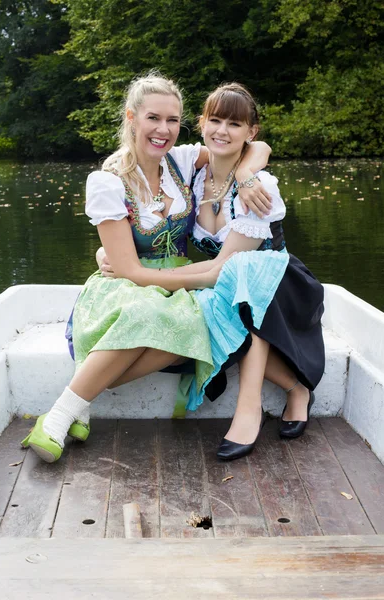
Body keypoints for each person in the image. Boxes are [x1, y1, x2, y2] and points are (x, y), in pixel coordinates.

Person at [21, 74, 271, 463]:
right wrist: (195, 278)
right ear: (132, 118)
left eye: (173, 121)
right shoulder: (108, 181)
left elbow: (253, 145)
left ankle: (76, 405)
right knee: (148, 312)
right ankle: (58, 416)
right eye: (153, 118)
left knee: (193, 324)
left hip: (179, 278)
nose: (164, 130)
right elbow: (129, 270)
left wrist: (243, 174)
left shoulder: (183, 160)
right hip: (128, 282)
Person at [100, 83, 325, 462]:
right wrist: (110, 253)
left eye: (235, 124)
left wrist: (249, 173)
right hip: (223, 281)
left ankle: (249, 409)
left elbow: (228, 267)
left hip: (278, 286)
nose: (223, 131)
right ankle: (296, 388)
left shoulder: (260, 187)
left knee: (243, 273)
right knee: (215, 302)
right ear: (202, 125)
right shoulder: (190, 173)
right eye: (215, 120)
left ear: (250, 133)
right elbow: (143, 219)